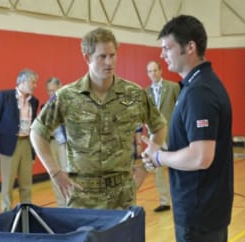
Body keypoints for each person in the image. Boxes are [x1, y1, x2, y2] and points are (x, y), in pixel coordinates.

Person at [141, 15, 234, 242]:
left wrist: (159, 157)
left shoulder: (200, 92)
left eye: (167, 48)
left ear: (189, 47)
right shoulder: (198, 85)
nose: (162, 54)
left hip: (199, 211)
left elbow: (200, 157)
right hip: (206, 208)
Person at [30, 27, 167, 210]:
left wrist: (145, 167)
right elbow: (37, 132)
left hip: (123, 195)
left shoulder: (134, 94)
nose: (109, 62)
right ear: (87, 58)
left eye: (112, 55)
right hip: (82, 197)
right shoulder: (67, 96)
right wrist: (55, 172)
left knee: (121, 240)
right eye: (102, 57)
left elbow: (159, 126)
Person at [0, 69, 39, 212]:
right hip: (9, 144)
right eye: (33, 82)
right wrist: (5, 135)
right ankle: (5, 213)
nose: (35, 85)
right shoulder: (4, 96)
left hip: (26, 143)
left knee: (26, 183)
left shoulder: (34, 101)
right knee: (8, 184)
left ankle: (27, 212)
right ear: (22, 82)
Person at [145, 60, 180, 212]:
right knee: (158, 169)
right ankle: (164, 201)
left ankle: (179, 199)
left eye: (155, 70)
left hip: (172, 133)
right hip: (155, 136)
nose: (153, 74)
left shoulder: (173, 87)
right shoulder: (146, 92)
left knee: (177, 166)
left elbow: (181, 109)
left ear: (161, 71)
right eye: (150, 71)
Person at [45, 77, 68, 207]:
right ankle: (61, 205)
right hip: (51, 143)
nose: (51, 93)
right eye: (49, 91)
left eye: (54, 90)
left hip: (64, 144)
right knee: (54, 175)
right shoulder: (45, 107)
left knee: (67, 174)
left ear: (60, 88)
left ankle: (71, 204)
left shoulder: (68, 104)